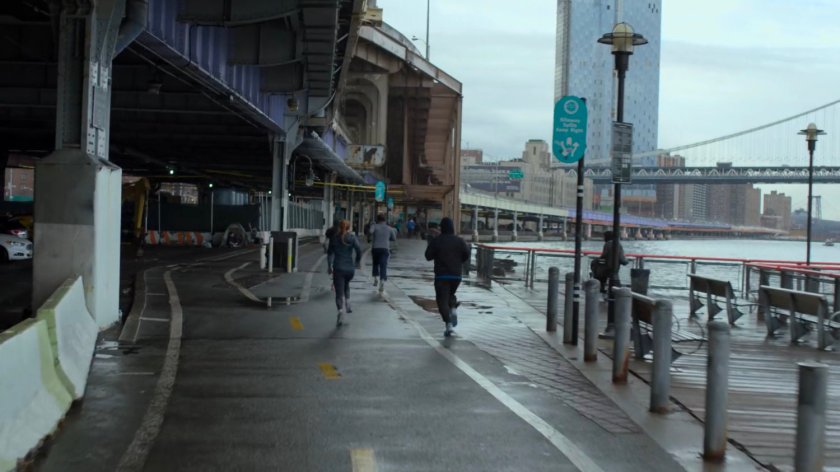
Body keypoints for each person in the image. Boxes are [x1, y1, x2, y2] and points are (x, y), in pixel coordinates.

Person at [425, 217, 470, 337]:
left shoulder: (437, 240)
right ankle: (453, 307)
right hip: (456, 276)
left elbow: (428, 256)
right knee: (450, 294)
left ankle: (449, 325)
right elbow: (466, 254)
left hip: (441, 275)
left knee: (441, 301)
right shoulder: (459, 241)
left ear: (442, 227)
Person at [327, 220, 362, 327]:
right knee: (346, 284)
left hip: (338, 268)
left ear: (339, 227)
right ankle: (348, 301)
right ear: (349, 227)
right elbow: (359, 250)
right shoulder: (352, 238)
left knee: (339, 293)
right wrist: (357, 262)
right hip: (350, 269)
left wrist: (329, 266)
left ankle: (340, 312)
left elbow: (330, 254)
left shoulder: (334, 239)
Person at [370, 214, 396, 293]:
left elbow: (370, 232)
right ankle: (382, 281)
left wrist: (372, 225)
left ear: (378, 220)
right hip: (385, 249)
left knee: (375, 263)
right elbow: (393, 238)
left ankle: (375, 279)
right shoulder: (389, 228)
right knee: (383, 265)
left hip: (375, 248)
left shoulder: (375, 226)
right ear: (385, 220)